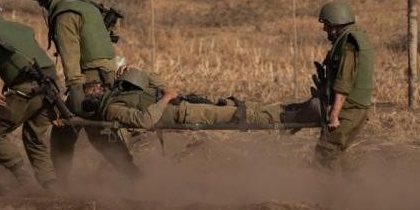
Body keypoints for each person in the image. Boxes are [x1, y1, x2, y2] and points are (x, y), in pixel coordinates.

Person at [29, 0, 139, 182]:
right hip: (107, 75)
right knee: (87, 133)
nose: (42, 5)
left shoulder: (64, 14)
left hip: (89, 82)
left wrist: (75, 90)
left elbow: (70, 56)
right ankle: (132, 176)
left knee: (89, 133)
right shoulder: (86, 5)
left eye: (40, 0)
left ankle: (61, 184)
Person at [0, 0, 59, 189]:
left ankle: (26, 181)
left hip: (26, 88)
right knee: (34, 138)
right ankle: (51, 186)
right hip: (52, 88)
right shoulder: (19, 28)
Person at [81, 67, 321, 129]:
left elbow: (163, 85)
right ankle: (295, 118)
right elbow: (144, 120)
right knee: (237, 115)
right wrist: (166, 99)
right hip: (182, 113)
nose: (97, 88)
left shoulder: (119, 93)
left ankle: (292, 109)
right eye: (92, 90)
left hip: (183, 104)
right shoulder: (112, 109)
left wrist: (137, 73)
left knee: (237, 105)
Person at [313, 1, 374, 169]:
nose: (325, 29)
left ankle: (329, 187)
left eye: (326, 25)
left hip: (348, 110)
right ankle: (349, 184)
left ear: (335, 25)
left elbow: (343, 83)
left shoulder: (348, 45)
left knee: (324, 155)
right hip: (357, 109)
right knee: (336, 156)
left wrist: (334, 115)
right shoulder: (358, 36)